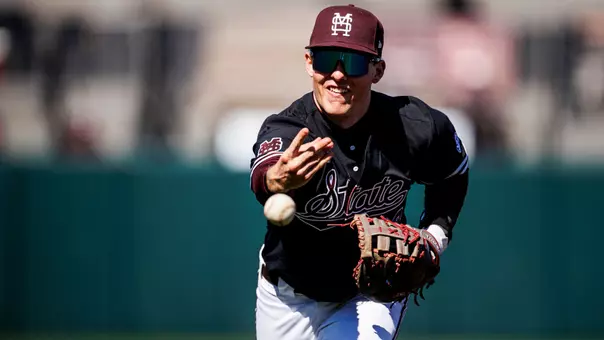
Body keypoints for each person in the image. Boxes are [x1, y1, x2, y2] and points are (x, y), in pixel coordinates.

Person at [249, 4, 469, 339]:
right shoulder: (290, 127)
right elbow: (266, 173)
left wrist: (436, 235)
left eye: (351, 62)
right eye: (325, 59)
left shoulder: (415, 126)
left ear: (377, 70)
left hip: (372, 291)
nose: (337, 74)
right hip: (290, 293)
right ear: (309, 63)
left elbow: (453, 172)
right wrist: (276, 179)